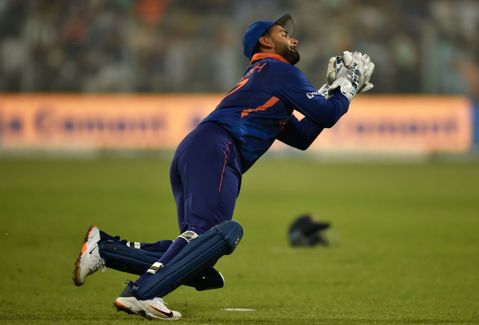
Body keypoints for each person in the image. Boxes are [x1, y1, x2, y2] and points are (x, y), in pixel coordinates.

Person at [72, 14, 374, 320]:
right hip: (218, 149)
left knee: (199, 260)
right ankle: (143, 293)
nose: (293, 39)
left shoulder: (264, 77)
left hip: (199, 149)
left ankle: (106, 249)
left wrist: (331, 91)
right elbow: (326, 115)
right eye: (283, 33)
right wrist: (346, 87)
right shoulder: (278, 70)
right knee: (214, 235)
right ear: (265, 42)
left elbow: (305, 135)